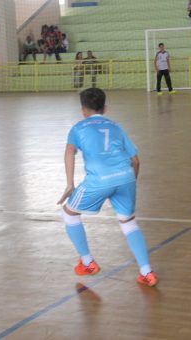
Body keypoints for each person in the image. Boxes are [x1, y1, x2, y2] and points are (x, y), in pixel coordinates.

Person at [57, 87, 158, 287]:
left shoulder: (78, 128)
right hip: (126, 177)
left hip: (99, 181)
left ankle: (87, 262)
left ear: (83, 110)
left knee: (69, 214)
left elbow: (69, 152)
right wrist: (130, 183)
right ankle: (147, 272)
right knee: (129, 223)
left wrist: (70, 184)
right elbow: (135, 161)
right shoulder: (116, 126)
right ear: (105, 108)